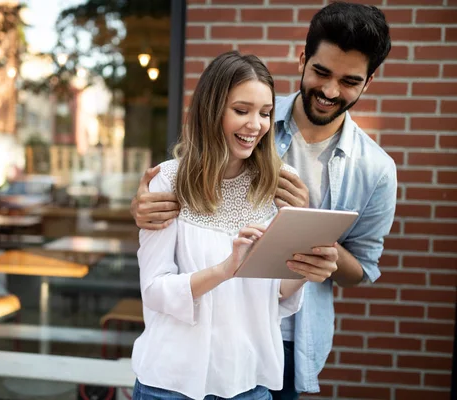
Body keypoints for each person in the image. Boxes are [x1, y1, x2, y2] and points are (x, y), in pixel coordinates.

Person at [130, 2, 397, 399]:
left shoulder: (374, 169)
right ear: (302, 58)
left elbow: (360, 268)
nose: (329, 90)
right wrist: (143, 206)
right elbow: (186, 185)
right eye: (321, 72)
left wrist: (316, 246)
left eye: (349, 81)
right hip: (185, 359)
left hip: (276, 345)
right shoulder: (254, 118)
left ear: (368, 81)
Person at [131, 51, 339, 400]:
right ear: (211, 111)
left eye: (265, 113)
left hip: (247, 382)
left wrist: (307, 268)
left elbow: (274, 293)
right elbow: (154, 289)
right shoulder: (168, 181)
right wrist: (226, 269)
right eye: (241, 111)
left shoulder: (281, 183)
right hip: (170, 383)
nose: (255, 125)